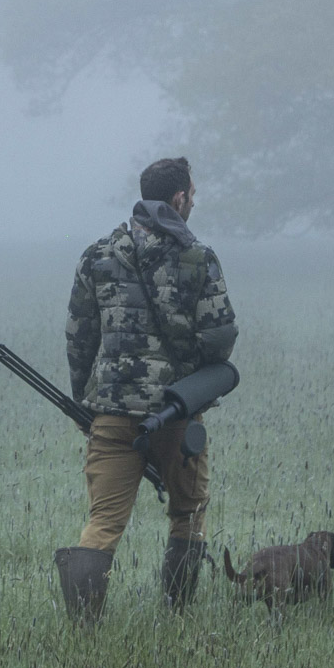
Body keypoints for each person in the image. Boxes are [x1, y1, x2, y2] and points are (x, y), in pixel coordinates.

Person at [56, 156, 236, 618]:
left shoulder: (97, 255)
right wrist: (197, 382)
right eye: (192, 196)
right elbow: (220, 336)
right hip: (176, 413)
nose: (193, 203)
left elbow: (79, 337)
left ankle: (83, 632)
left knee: (102, 524)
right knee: (188, 512)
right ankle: (176, 615)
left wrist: (86, 403)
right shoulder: (198, 257)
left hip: (112, 413)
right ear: (179, 199)